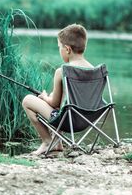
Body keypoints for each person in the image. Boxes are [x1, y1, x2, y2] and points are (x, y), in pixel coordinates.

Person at [22, 23, 94, 155]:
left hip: (68, 121)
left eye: (59, 47)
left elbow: (54, 103)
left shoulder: (62, 72)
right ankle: (57, 141)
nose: (59, 50)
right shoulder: (94, 70)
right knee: (63, 99)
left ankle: (48, 142)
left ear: (67, 49)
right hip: (88, 120)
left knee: (27, 100)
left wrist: (44, 97)